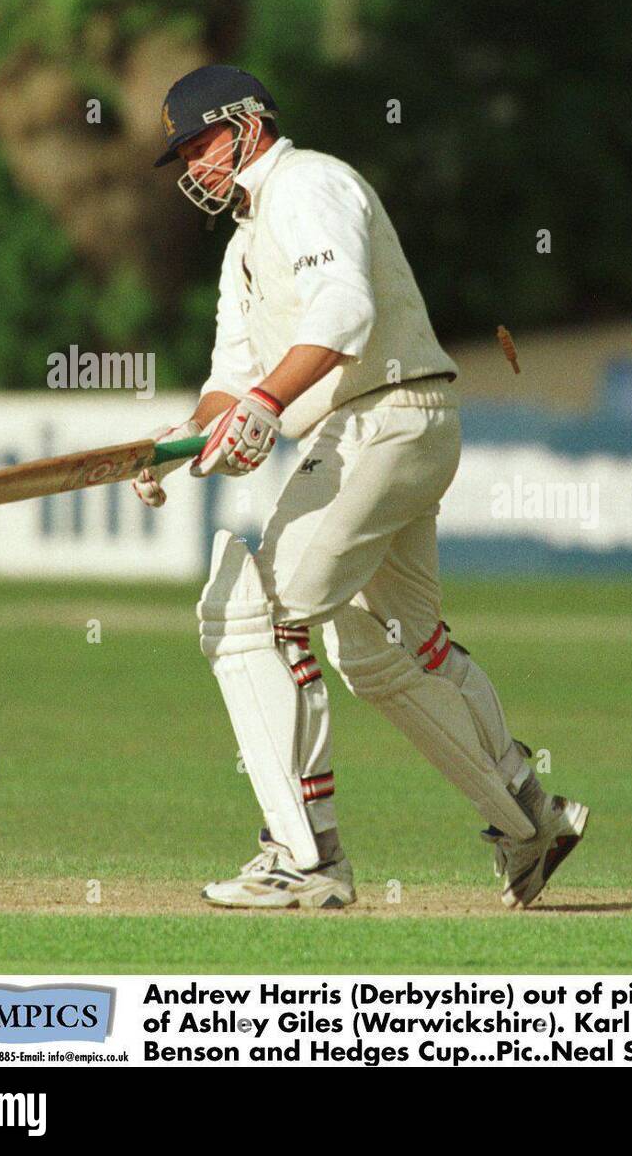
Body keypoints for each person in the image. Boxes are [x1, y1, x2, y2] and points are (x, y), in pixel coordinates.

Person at [135, 64, 588, 910]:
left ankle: (304, 859)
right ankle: (531, 821)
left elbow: (342, 314)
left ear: (248, 123)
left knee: (256, 613)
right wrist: (179, 443)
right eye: (184, 154)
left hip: (379, 420)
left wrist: (267, 407)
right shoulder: (243, 246)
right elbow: (231, 379)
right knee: (387, 648)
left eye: (200, 143)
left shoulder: (310, 183)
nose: (193, 165)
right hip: (398, 429)